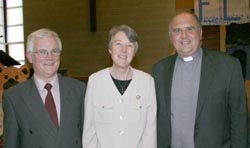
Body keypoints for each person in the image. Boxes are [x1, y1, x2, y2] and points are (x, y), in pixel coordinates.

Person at [152, 11, 248, 148]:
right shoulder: (159, 70)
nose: (184, 35)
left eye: (190, 29)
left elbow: (239, 118)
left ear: (201, 33)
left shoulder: (228, 66)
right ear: (171, 38)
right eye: (177, 30)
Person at [2, 28, 86, 148]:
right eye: (42, 52)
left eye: (55, 51)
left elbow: (87, 137)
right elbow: (10, 144)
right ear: (29, 56)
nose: (50, 57)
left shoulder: (79, 90)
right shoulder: (14, 97)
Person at [82, 24, 157, 148]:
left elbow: (150, 132)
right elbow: (89, 132)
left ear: (134, 52)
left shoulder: (147, 82)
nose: (124, 50)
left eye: (129, 45)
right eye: (118, 44)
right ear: (110, 49)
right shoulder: (95, 81)